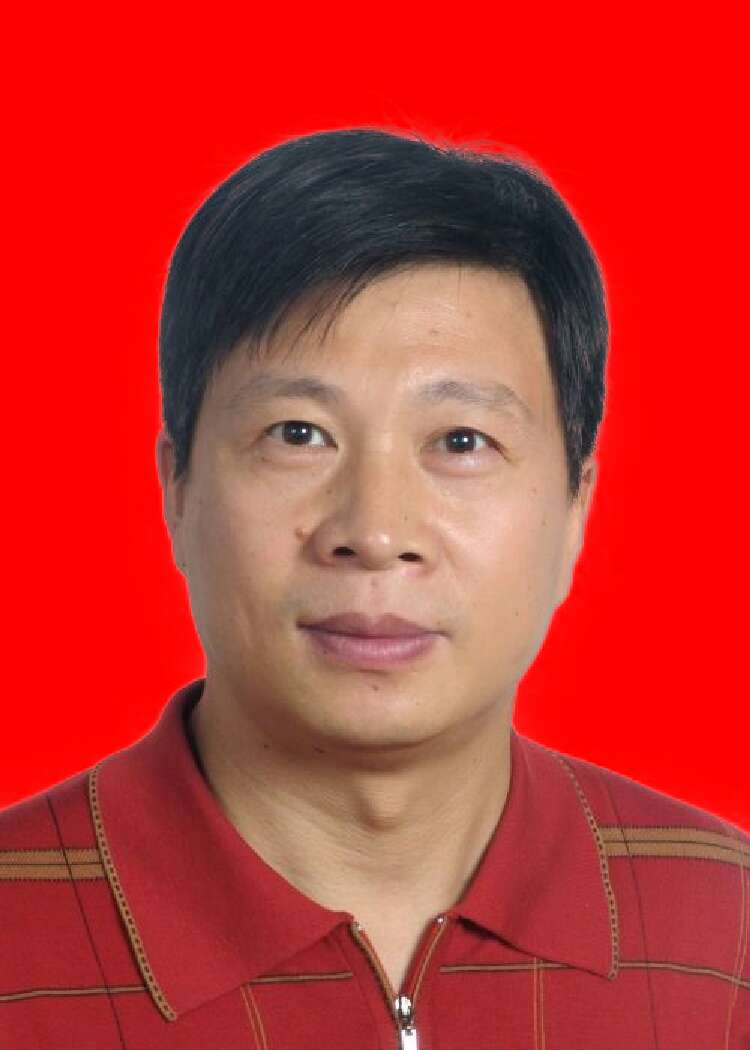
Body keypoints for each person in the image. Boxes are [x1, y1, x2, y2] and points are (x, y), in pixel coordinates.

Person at [1, 127, 747, 1050]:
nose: (376, 531)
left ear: (575, 508)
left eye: (462, 442)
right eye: (297, 434)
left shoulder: (726, 933)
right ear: (177, 487)